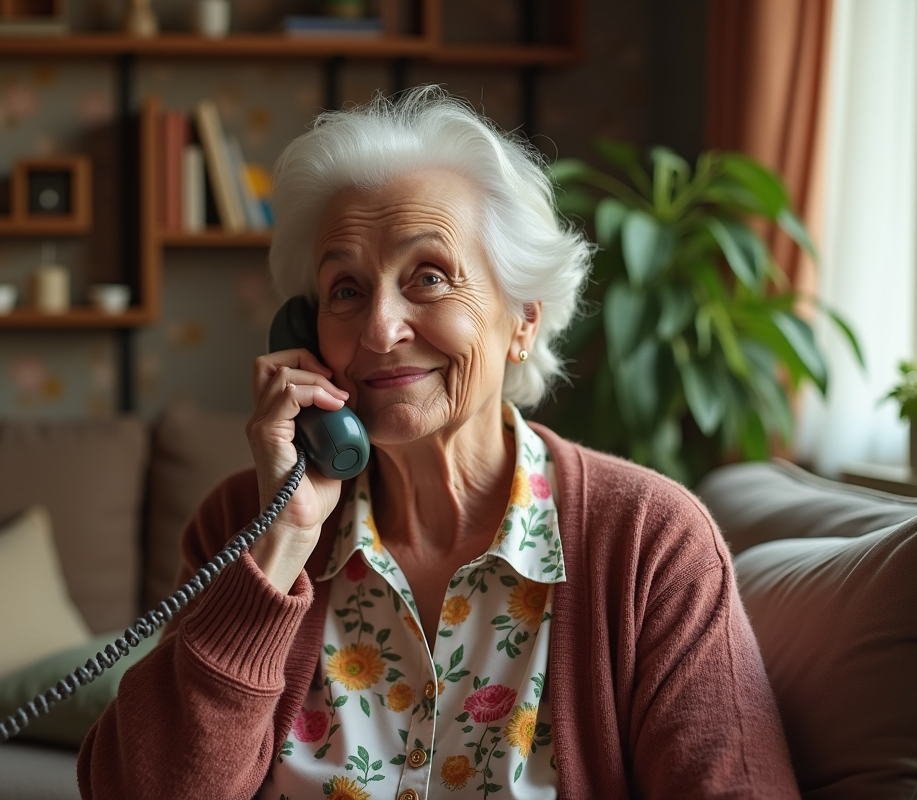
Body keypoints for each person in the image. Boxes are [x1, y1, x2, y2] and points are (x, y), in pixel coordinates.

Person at [77, 86, 798, 800]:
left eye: (429, 277)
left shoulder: (650, 542)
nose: (380, 329)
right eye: (346, 290)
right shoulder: (246, 524)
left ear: (521, 318)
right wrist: (279, 550)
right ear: (303, 332)